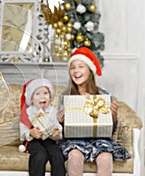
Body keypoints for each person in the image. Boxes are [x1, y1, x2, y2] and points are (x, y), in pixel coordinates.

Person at [57, 47, 131, 176]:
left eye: (81, 66)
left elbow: (109, 130)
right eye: (72, 67)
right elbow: (61, 132)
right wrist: (59, 121)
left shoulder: (102, 95)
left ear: (90, 71)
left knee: (105, 157)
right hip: (75, 140)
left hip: (99, 139)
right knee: (74, 156)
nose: (76, 71)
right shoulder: (66, 97)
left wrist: (112, 117)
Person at [19, 78, 66, 176]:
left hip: (49, 140)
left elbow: (57, 126)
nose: (42, 97)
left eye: (45, 93)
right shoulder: (28, 112)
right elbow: (23, 133)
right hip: (33, 141)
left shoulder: (52, 111)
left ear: (50, 97)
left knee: (57, 154)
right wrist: (31, 133)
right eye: (37, 94)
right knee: (40, 155)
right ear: (31, 99)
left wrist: (57, 132)